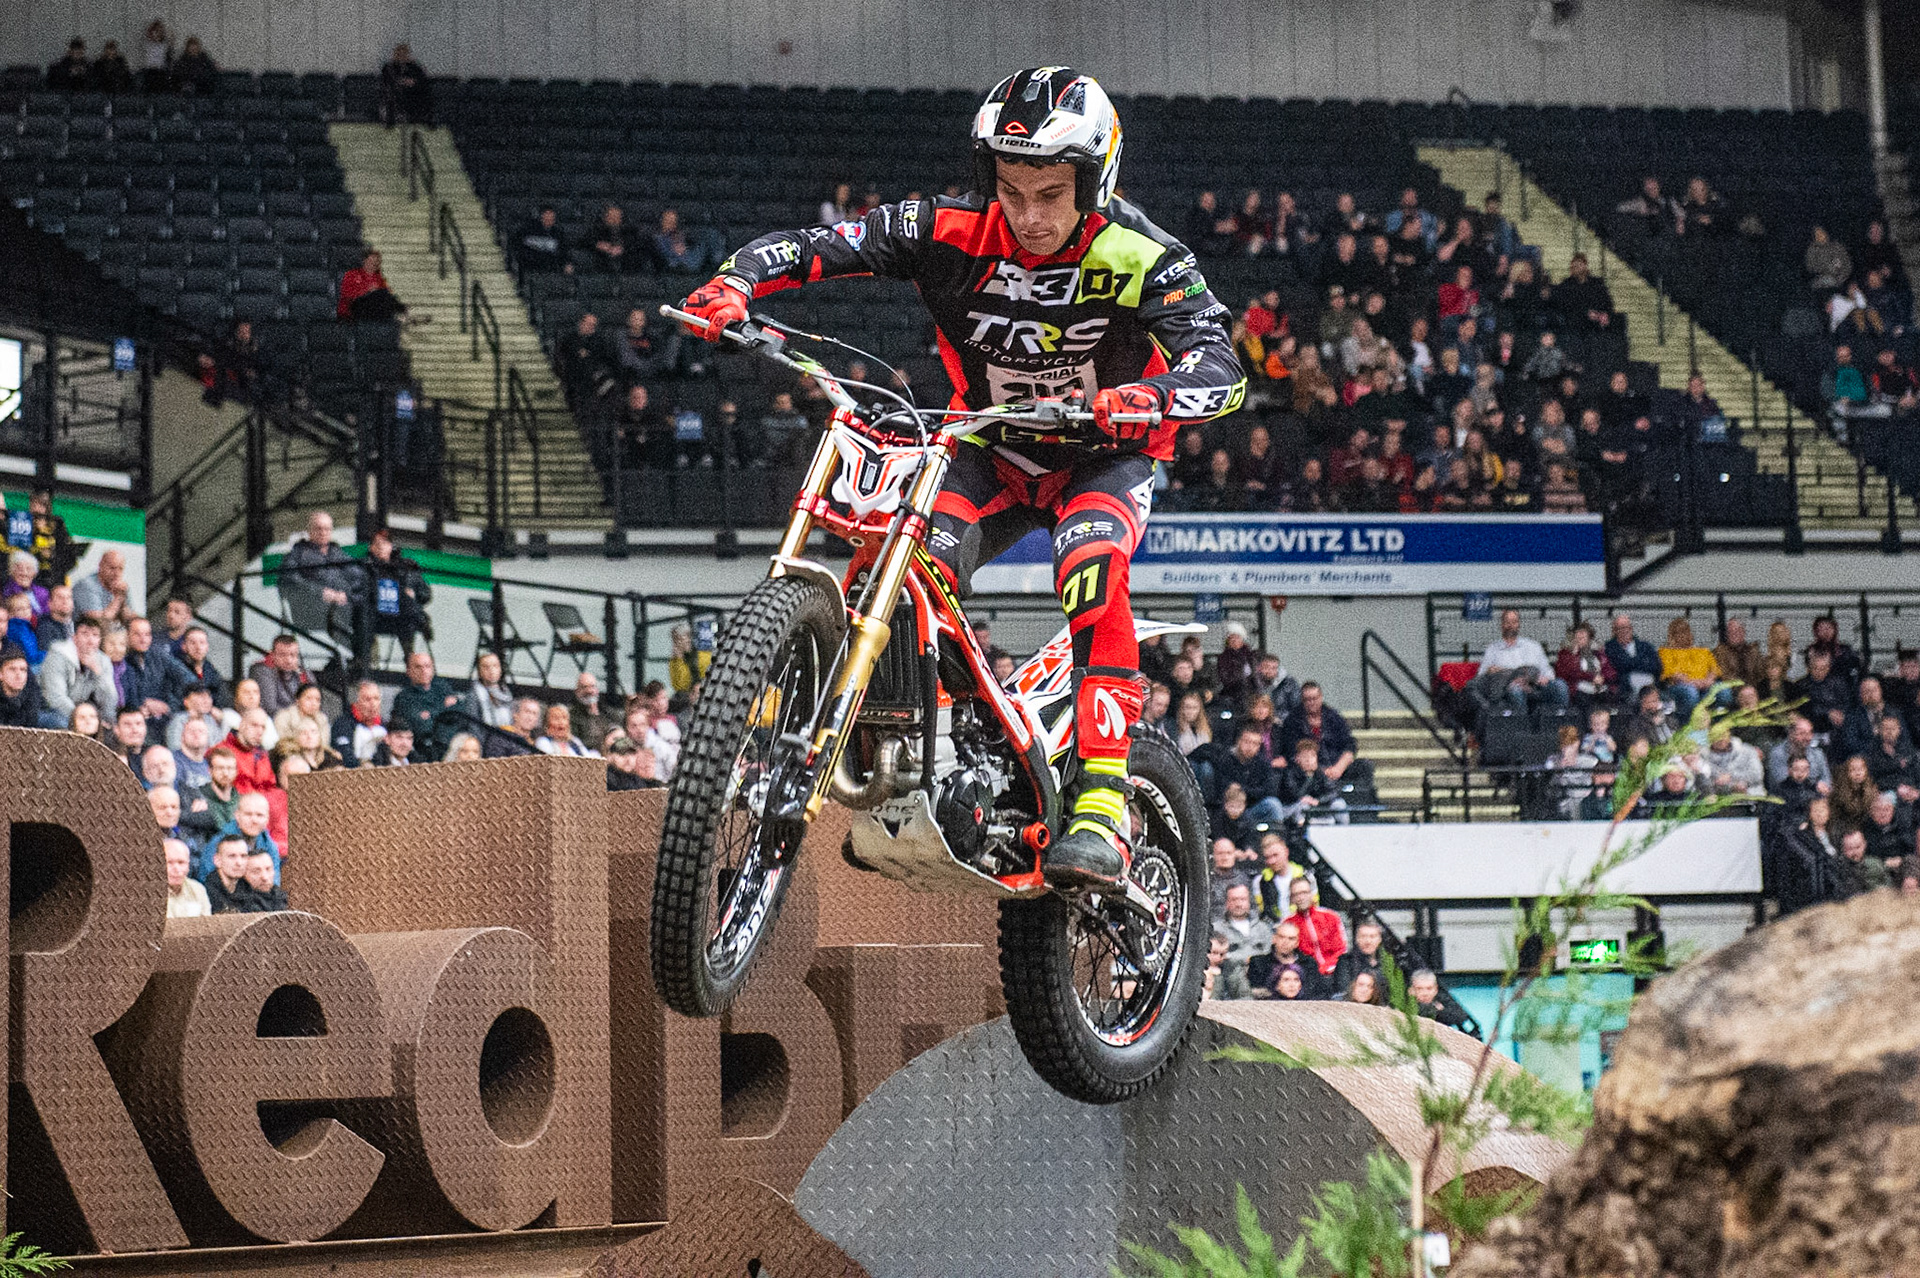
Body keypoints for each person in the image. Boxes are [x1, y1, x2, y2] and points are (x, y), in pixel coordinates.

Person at [676, 68, 1243, 889]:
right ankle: (939, 758)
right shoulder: (944, 227)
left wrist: (1145, 398)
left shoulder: (1144, 254)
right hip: (988, 444)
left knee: (1090, 571)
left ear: (1095, 180)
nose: (1029, 214)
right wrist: (735, 281)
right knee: (900, 572)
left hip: (1103, 454)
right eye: (1011, 191)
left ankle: (1103, 804)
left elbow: (1221, 367)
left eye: (1051, 194)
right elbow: (817, 245)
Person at [280, 510, 367, 661]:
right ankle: (359, 659)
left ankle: (362, 659)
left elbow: (359, 577)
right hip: (311, 608)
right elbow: (289, 579)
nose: (323, 532)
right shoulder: (297, 554)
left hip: (343, 606)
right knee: (343, 619)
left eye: (327, 529)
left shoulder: (338, 553)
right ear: (309, 531)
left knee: (367, 612)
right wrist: (321, 592)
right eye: (319, 528)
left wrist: (346, 595)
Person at [38, 616, 116, 729]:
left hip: (83, 713)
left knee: (112, 724)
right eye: (85, 634)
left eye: (95, 635)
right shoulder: (57, 655)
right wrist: (83, 718)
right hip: (50, 711)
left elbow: (110, 703)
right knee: (62, 722)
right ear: (74, 637)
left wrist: (98, 673)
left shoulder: (103, 661)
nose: (90, 641)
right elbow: (55, 698)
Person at [363, 527, 431, 655]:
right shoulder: (363, 568)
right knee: (363, 618)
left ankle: (410, 659)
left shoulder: (407, 568)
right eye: (377, 544)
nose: (381, 547)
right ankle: (366, 661)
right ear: (371, 547)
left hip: (402, 617)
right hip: (375, 616)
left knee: (409, 614)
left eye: (385, 543)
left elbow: (425, 594)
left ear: (391, 546)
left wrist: (413, 595)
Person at [390, 650, 461, 761]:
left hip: (452, 751)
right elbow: (422, 728)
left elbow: (460, 716)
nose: (423, 671)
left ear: (432, 669)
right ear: (409, 671)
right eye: (418, 667)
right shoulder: (403, 698)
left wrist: (430, 714)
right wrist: (444, 708)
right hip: (423, 755)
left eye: (427, 666)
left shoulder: (443, 688)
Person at [1286, 876, 1346, 980]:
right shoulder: (1288, 924)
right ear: (1292, 898)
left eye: (1304, 892)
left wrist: (1327, 968)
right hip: (1307, 976)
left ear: (1312, 893)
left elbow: (1341, 949)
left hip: (1336, 972)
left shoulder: (1331, 917)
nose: (1301, 897)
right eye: (1296, 894)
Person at [248, 633, 314, 718]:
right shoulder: (262, 670)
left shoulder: (304, 674)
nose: (288, 660)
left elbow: (315, 704)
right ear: (272, 655)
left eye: (293, 655)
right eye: (283, 655)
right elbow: (270, 708)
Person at [338, 250, 411, 323]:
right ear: (364, 261)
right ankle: (402, 310)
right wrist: (367, 290)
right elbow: (346, 294)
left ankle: (400, 312)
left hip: (374, 308)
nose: (374, 264)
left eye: (376, 261)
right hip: (354, 307)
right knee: (380, 293)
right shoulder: (352, 274)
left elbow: (387, 295)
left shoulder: (379, 277)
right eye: (371, 261)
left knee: (383, 294)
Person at [330, 679, 388, 766]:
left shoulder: (384, 726)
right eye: (367, 699)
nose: (373, 704)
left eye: (376, 698)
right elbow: (345, 756)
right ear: (356, 703)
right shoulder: (342, 724)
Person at [71, 550, 133, 627]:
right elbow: (99, 622)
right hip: (88, 632)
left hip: (114, 633)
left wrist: (122, 600)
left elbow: (129, 620)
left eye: (120, 569)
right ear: (101, 566)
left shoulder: (120, 587)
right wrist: (118, 598)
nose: (116, 573)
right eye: (112, 568)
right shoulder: (86, 585)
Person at [378, 43, 433, 127]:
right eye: (399, 54)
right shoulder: (388, 67)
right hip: (396, 93)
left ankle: (426, 121)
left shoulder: (414, 67)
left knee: (425, 95)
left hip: (413, 93)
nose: (402, 57)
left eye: (404, 54)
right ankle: (390, 122)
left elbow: (422, 80)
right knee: (390, 96)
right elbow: (386, 81)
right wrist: (401, 82)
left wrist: (413, 82)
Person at [203, 836, 256, 913]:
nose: (239, 863)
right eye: (232, 856)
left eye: (243, 856)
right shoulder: (205, 893)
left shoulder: (248, 888)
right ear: (217, 860)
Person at [465, 651, 515, 729]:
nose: (491, 671)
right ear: (479, 671)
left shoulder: (506, 693)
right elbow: (473, 725)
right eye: (486, 667)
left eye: (495, 666)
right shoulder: (475, 694)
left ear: (500, 669)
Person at [164, 838, 212, 919]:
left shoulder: (198, 889)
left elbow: (207, 924)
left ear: (188, 865)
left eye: (181, 862)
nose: (176, 869)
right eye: (169, 862)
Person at [0, 645, 42, 727]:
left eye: (23, 670)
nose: (19, 675)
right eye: (12, 669)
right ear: (1, 674)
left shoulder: (31, 696)